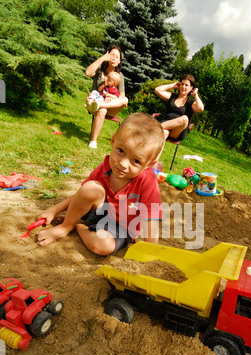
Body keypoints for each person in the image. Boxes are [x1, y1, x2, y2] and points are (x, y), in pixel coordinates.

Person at [36, 113, 165, 256]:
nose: (123, 163)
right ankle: (67, 226)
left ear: (149, 164)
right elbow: (81, 194)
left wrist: (150, 253)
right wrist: (54, 210)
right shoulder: (105, 168)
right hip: (97, 214)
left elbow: (151, 219)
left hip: (121, 228)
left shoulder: (148, 181)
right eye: (121, 151)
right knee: (91, 187)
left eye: (136, 161)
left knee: (103, 246)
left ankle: (79, 226)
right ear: (113, 140)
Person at [85, 45, 128, 149]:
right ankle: (93, 141)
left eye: (117, 57)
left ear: (119, 61)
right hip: (97, 102)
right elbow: (88, 73)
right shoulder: (99, 71)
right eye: (112, 55)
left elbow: (122, 96)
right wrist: (102, 58)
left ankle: (98, 105)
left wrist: (112, 97)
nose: (114, 58)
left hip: (110, 105)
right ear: (107, 55)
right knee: (102, 110)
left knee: (125, 100)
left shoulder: (119, 76)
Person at [155, 74, 204, 141]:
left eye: (186, 85)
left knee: (185, 119)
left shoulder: (190, 102)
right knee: (165, 133)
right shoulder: (172, 97)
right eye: (182, 84)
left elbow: (201, 108)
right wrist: (173, 85)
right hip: (166, 125)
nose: (183, 87)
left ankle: (155, 128)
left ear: (191, 88)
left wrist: (195, 94)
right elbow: (157, 90)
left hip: (177, 131)